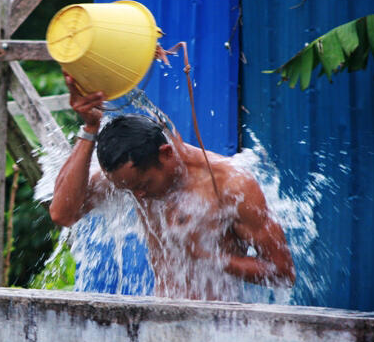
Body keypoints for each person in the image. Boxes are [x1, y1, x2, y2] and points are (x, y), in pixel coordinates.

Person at [49, 73, 295, 300]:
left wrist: (210, 258)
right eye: (130, 191)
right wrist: (90, 129)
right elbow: (63, 213)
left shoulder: (231, 185)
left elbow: (283, 273)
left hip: (220, 329)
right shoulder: (131, 178)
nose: (139, 195)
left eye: (143, 185)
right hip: (162, 323)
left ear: (166, 153)